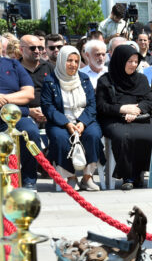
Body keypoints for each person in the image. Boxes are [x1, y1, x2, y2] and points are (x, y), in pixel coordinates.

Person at [41, 46, 104, 191]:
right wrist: (67, 123)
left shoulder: (84, 79)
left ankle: (87, 177)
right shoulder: (50, 81)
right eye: (69, 60)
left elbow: (91, 104)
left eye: (76, 61)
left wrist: (82, 123)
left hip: (84, 119)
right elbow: (48, 107)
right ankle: (71, 177)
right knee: (60, 138)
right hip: (60, 121)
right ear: (61, 60)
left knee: (93, 135)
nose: (73, 64)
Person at [96, 45, 152, 190]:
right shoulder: (105, 81)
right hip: (114, 119)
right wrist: (122, 109)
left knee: (151, 135)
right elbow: (101, 106)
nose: (133, 65)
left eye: (136, 61)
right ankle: (127, 176)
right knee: (122, 136)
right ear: (120, 61)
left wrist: (137, 109)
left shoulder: (141, 79)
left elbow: (150, 101)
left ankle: (139, 171)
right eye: (130, 61)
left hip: (139, 117)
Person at [0, 55, 43, 189]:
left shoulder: (13, 64)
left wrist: (4, 98)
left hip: (14, 117)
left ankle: (28, 180)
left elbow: (29, 93)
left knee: (31, 132)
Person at [18, 35, 53, 127]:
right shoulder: (13, 69)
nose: (37, 51)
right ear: (21, 49)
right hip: (23, 116)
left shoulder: (49, 68)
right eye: (32, 48)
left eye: (40, 48)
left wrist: (48, 110)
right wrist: (28, 111)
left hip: (48, 113)